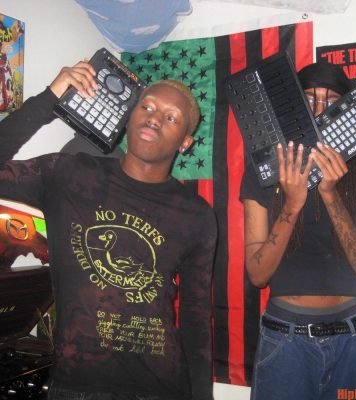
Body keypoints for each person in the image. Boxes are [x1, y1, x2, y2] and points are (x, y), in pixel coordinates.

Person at [0, 60, 217, 400]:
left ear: (184, 142)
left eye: (171, 117)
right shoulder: (69, 175)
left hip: (160, 389)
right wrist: (50, 98)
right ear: (129, 117)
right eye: (147, 107)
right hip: (76, 386)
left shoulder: (196, 215)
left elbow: (196, 317)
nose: (154, 118)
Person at [240, 62, 356, 400]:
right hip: (286, 339)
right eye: (308, 100)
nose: (319, 111)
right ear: (291, 108)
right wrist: (292, 204)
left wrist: (330, 193)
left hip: (350, 337)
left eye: (331, 101)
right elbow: (257, 274)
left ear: (346, 109)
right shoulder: (266, 171)